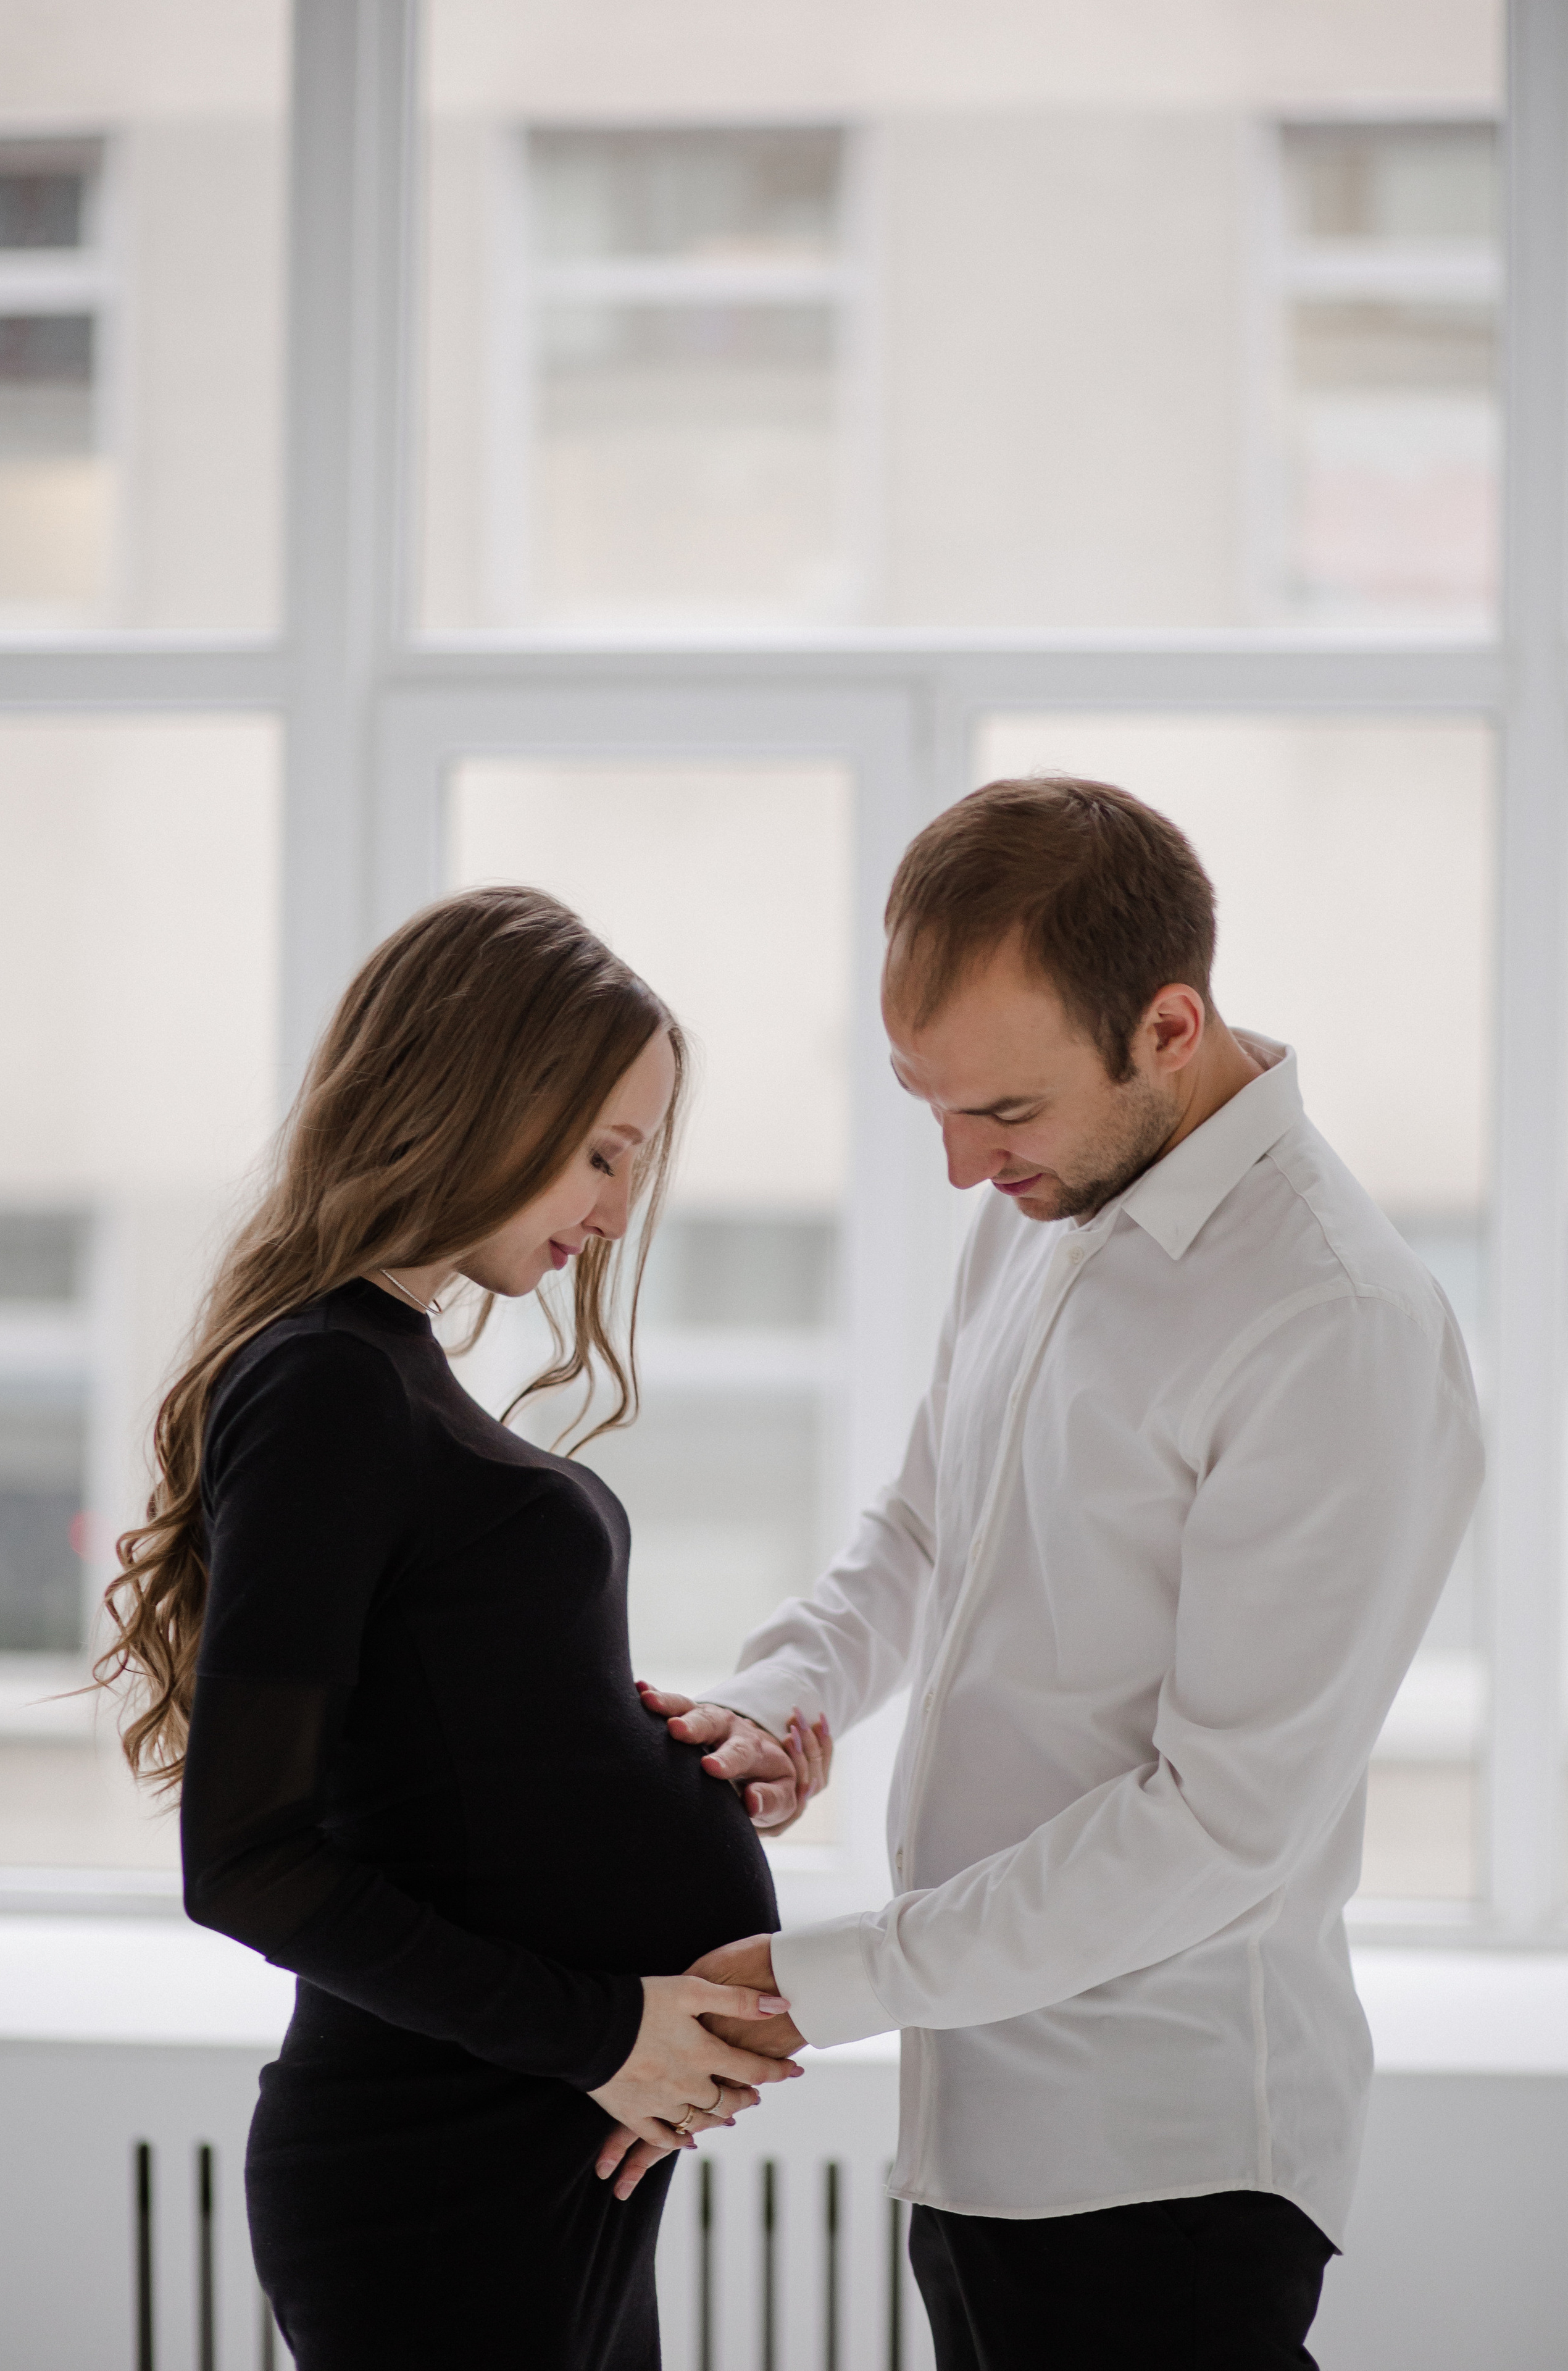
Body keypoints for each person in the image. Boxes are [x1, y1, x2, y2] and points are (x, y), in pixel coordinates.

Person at [605, 779, 1485, 2370]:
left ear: (1166, 1026)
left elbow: (1219, 1819)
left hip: (1163, 2161)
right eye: (924, 1104)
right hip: (984, 2128)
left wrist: (831, 1981)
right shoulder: (1049, 1200)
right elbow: (925, 1536)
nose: (956, 1169)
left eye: (999, 1115)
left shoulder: (1331, 1322)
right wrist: (772, 1703)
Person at [96, 886, 815, 2371]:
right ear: (475, 1093)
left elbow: (447, 1755)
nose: (616, 1213)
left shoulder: (384, 1369)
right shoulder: (324, 1384)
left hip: (544, 2146)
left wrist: (658, 1747)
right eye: (599, 1153)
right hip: (441, 2172)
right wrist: (604, 2030)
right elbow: (246, 1863)